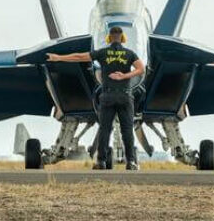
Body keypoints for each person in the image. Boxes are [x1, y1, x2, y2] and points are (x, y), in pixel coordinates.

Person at [47, 26, 145, 170]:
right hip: (125, 95)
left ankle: (101, 162)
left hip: (107, 96)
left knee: (105, 130)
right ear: (123, 38)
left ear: (109, 38)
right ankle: (131, 162)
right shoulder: (130, 54)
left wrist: (58, 58)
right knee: (127, 130)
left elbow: (79, 57)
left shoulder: (103, 53)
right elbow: (141, 69)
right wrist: (124, 76)